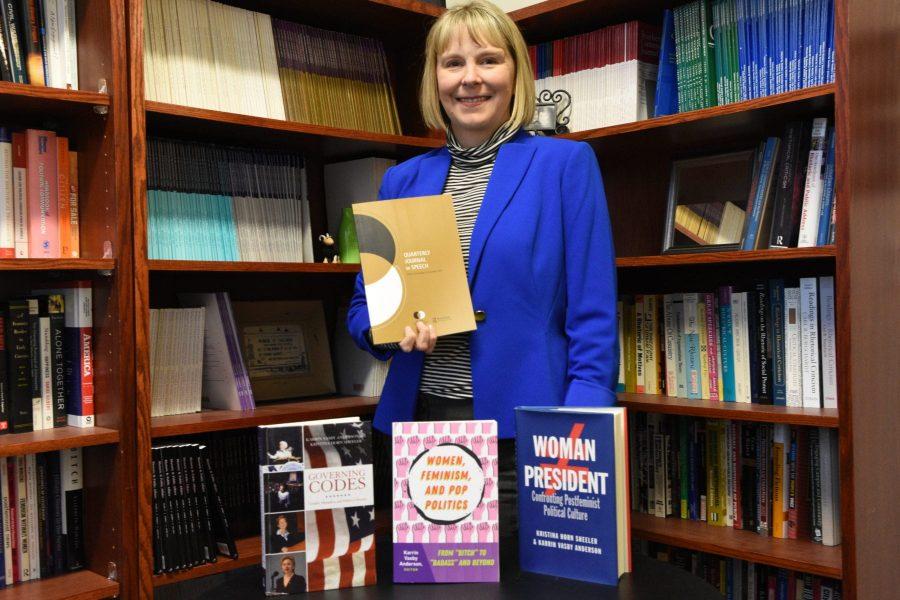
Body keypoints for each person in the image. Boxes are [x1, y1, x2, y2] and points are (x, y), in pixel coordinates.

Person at [347, 0, 618, 533]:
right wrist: (391, 330)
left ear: (515, 73)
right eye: (453, 64)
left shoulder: (564, 165)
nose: (470, 79)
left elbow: (594, 314)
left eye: (488, 60)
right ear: (435, 79)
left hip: (531, 438)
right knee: (437, 591)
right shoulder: (401, 181)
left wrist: (578, 431)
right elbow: (362, 310)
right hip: (421, 431)